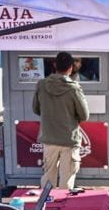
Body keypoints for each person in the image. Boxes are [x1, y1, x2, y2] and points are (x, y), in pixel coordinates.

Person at [33, 52, 88, 191]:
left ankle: (45, 208)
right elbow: (84, 115)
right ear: (71, 67)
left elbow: (36, 109)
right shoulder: (74, 88)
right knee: (66, 182)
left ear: (54, 65)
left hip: (49, 138)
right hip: (69, 140)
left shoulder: (42, 85)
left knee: (47, 181)